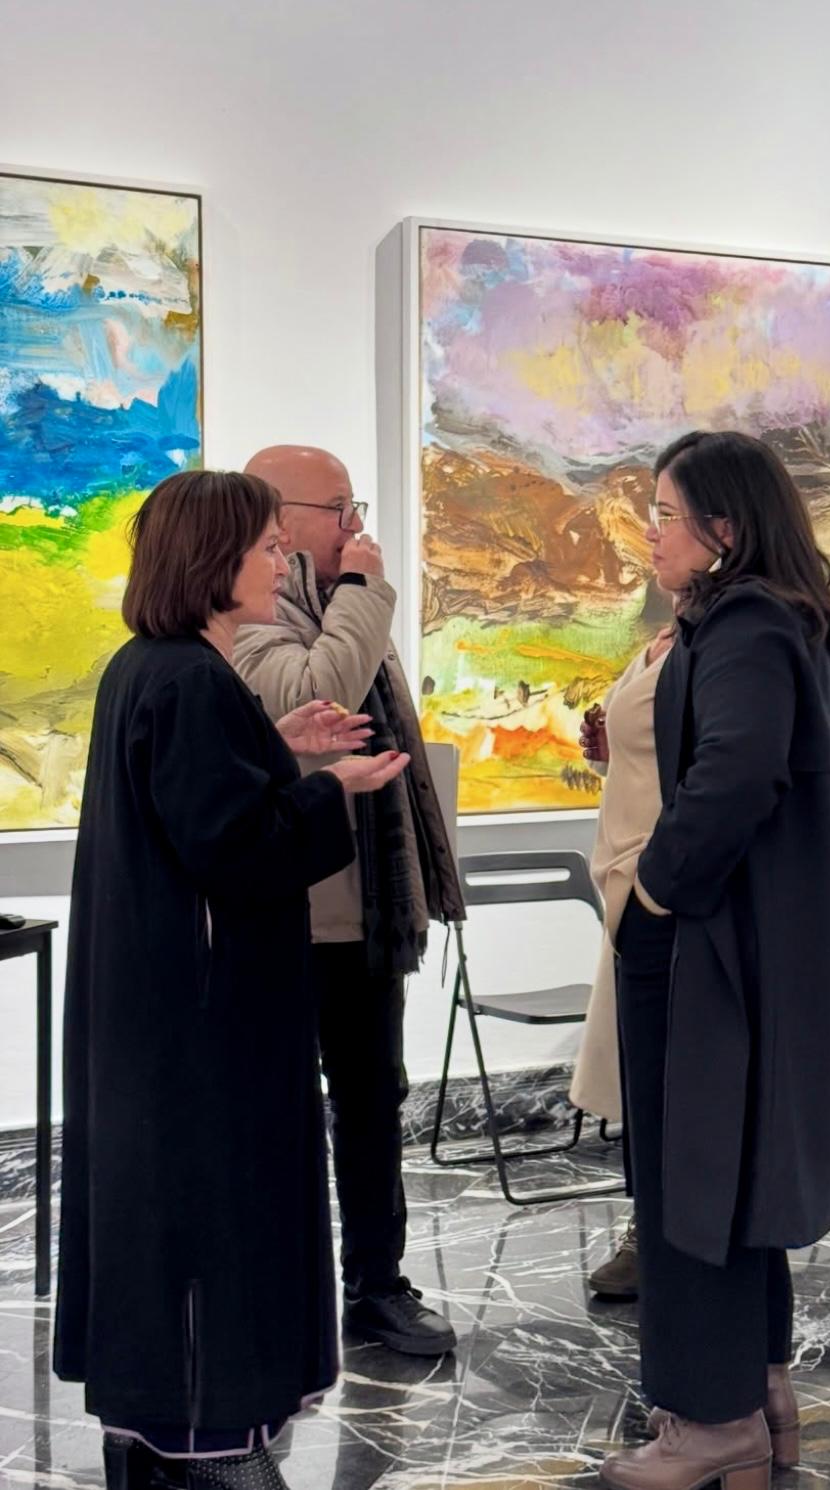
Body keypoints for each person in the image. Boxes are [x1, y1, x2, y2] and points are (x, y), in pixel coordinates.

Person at [53, 470, 409, 1490]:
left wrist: (276, 749)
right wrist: (331, 788)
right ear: (214, 561)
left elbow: (197, 801)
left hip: (160, 1017)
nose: (278, 562)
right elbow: (236, 850)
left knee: (162, 1235)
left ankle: (158, 1448)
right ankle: (215, 1453)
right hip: (205, 1031)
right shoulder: (191, 680)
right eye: (264, 547)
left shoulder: (148, 667)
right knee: (211, 1235)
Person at [600, 432, 830, 1490]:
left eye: (666, 514)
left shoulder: (747, 625)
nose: (651, 533)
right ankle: (760, 1393)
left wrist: (653, 892)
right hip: (758, 947)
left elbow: (734, 776)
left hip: (712, 947)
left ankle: (710, 1422)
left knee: (695, 1180)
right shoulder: (781, 617)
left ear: (724, 526)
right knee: (735, 1175)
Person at [234, 445, 465, 1357]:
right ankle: (274, 1293)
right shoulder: (252, 618)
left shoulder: (343, 607)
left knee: (373, 1100)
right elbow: (316, 693)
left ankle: (377, 1286)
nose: (357, 527)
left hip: (364, 910)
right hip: (292, 912)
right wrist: (366, 592)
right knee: (277, 1109)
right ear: (283, 520)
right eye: (341, 509)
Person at [570, 624, 675, 1301]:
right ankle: (651, 1227)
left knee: (666, 1076)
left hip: (665, 888)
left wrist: (655, 884)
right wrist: (612, 754)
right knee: (640, 1070)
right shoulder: (665, 637)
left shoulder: (729, 640)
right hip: (632, 888)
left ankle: (665, 1235)